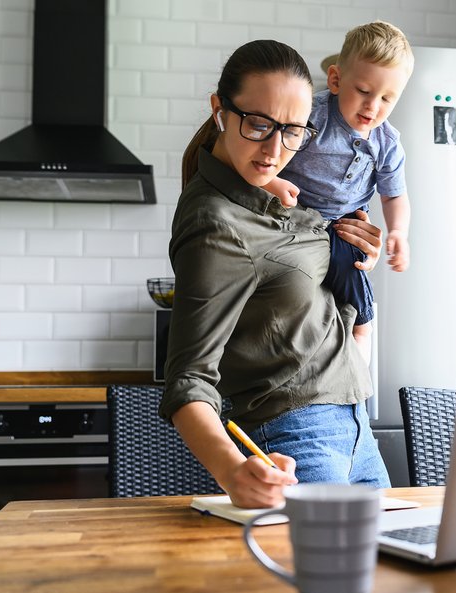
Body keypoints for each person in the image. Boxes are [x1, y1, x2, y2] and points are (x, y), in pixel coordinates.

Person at [160, 39, 392, 509]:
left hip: (358, 431)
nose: (274, 149)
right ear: (220, 110)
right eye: (259, 124)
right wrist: (230, 470)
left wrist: (355, 247)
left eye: (293, 131)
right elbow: (188, 377)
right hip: (296, 438)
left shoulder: (284, 193)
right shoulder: (215, 223)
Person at [264, 21, 414, 363]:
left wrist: (399, 233)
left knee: (354, 268)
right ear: (335, 79)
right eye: (363, 90)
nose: (373, 107)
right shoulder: (310, 116)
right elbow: (269, 159)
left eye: (387, 99)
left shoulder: (386, 141)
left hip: (345, 223)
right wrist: (274, 183)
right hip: (292, 212)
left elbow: (394, 195)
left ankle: (362, 333)